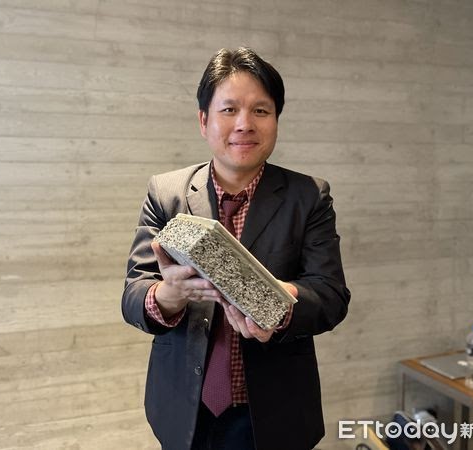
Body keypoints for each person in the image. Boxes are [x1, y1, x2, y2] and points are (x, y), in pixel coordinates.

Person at [121, 47, 351, 450]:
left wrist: (276, 304)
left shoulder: (308, 196)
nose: (245, 124)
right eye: (229, 110)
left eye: (261, 110)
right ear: (203, 120)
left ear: (276, 119)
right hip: (183, 408)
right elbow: (133, 295)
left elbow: (331, 296)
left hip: (275, 413)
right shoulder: (166, 192)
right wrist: (170, 294)